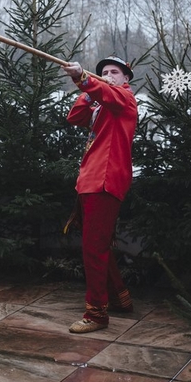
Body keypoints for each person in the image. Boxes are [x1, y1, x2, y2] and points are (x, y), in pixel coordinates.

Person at [61, 55, 138, 334]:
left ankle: (96, 314)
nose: (108, 75)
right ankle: (119, 298)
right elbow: (75, 117)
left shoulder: (125, 98)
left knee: (93, 249)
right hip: (90, 180)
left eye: (114, 72)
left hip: (105, 181)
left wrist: (83, 77)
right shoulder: (102, 102)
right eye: (104, 72)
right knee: (98, 245)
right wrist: (88, 90)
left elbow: (107, 93)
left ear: (126, 78)